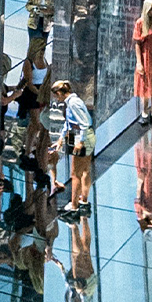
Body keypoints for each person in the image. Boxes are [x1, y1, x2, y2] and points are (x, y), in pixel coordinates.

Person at [51, 81, 95, 216]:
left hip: (80, 138)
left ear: (59, 93)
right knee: (85, 170)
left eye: (56, 96)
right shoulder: (73, 102)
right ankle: (83, 200)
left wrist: (81, 142)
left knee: (75, 174)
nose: (56, 99)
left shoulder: (73, 103)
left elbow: (84, 123)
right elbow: (68, 122)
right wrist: (61, 139)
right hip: (79, 136)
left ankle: (74, 207)